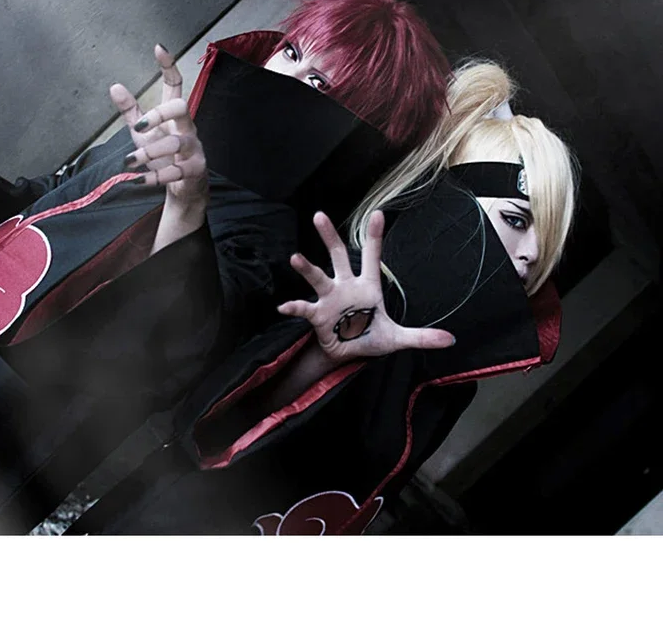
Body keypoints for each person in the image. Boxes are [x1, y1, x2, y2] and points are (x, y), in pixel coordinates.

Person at [0, 0, 455, 535]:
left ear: (357, 124)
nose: (287, 77)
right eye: (293, 52)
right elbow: (61, 201)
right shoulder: (177, 132)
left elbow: (185, 342)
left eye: (319, 82)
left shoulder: (279, 236)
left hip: (7, 414)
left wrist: (185, 205)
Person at [64, 59, 577, 535]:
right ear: (449, 202)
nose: (534, 253)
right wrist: (324, 354)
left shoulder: (456, 383)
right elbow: (200, 421)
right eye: (516, 219)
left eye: (547, 236)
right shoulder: (340, 282)